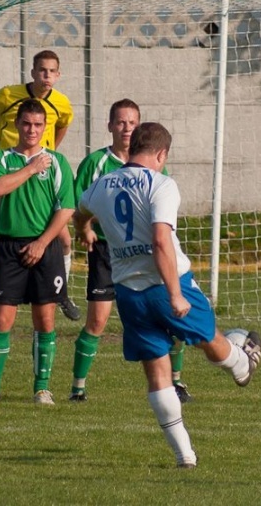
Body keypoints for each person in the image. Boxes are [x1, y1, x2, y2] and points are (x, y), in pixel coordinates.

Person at [76, 122, 261, 468]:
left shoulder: (101, 184)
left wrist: (85, 230)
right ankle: (241, 364)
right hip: (167, 285)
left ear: (132, 150)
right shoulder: (161, 184)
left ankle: (185, 456)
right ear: (161, 154)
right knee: (210, 338)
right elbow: (161, 239)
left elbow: (81, 211)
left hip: (129, 294)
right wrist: (176, 295)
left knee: (157, 374)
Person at [69, 99, 192, 403]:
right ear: (110, 126)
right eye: (120, 122)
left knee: (171, 318)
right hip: (107, 251)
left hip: (147, 255)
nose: (126, 128)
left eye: (132, 122)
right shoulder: (95, 164)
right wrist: (85, 229)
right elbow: (79, 207)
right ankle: (77, 387)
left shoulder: (154, 168)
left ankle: (176, 382)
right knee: (97, 321)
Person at [0, 50, 79, 330]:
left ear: (58, 75)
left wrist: (45, 160)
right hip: (7, 175)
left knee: (64, 239)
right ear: (32, 72)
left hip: (40, 173)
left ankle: (59, 292)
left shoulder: (62, 104)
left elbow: (61, 127)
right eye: (42, 70)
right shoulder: (7, 95)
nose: (46, 75)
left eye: (52, 71)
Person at [0, 99, 76, 405]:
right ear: (17, 125)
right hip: (9, 246)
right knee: (2, 320)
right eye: (26, 124)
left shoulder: (57, 162)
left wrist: (43, 243)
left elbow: (66, 208)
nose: (32, 130)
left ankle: (42, 388)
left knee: (45, 320)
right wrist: (31, 169)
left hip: (45, 247)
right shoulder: (2, 158)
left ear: (45, 128)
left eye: (38, 125)